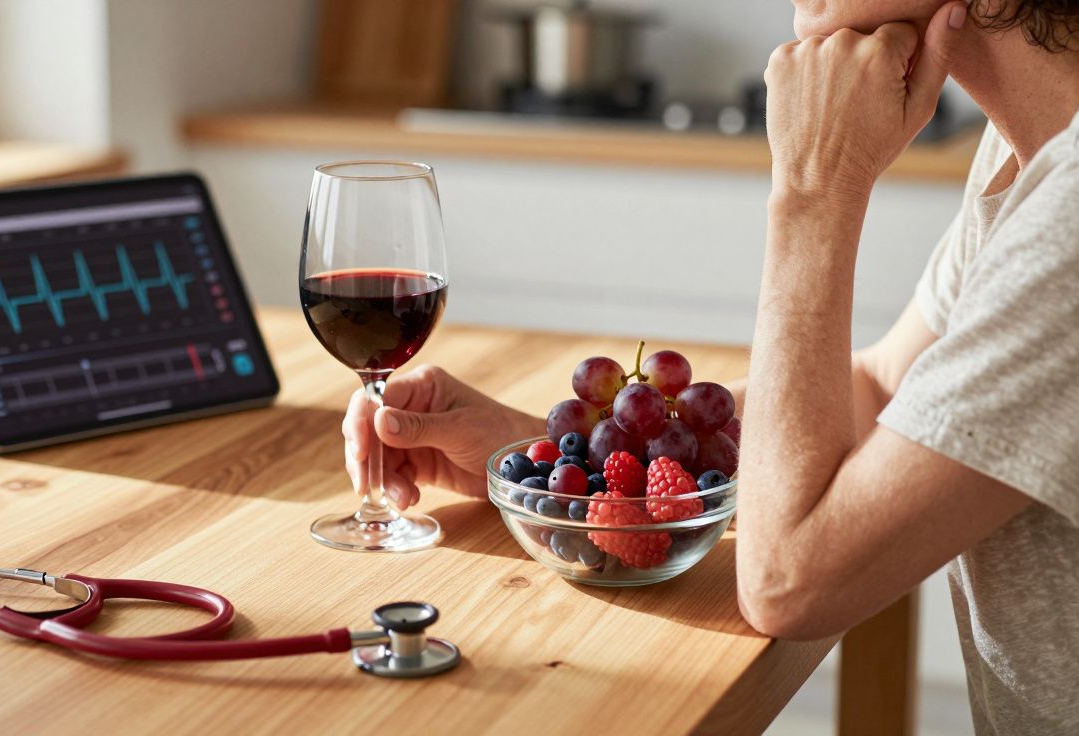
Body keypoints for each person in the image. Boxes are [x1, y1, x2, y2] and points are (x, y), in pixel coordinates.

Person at [340, 1, 1079, 732]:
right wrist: (571, 470)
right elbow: (887, 385)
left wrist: (813, 190)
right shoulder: (1028, 152)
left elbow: (790, 582)